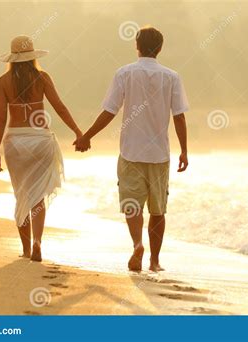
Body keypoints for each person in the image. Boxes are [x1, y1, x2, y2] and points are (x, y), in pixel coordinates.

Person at [74, 26, 189, 272]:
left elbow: (110, 111)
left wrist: (87, 136)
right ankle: (155, 261)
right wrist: (184, 151)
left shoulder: (124, 73)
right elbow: (179, 116)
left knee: (132, 204)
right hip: (159, 154)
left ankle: (137, 244)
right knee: (158, 210)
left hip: (130, 151)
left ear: (136, 46)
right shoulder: (171, 77)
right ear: (160, 48)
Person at [0, 35, 84, 262]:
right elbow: (60, 107)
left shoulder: (1, 82)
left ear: (12, 58)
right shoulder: (42, 78)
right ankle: (37, 242)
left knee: (21, 192)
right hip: (40, 140)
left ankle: (25, 249)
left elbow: (1, 118)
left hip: (15, 141)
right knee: (37, 196)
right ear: (32, 56)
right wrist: (78, 132)